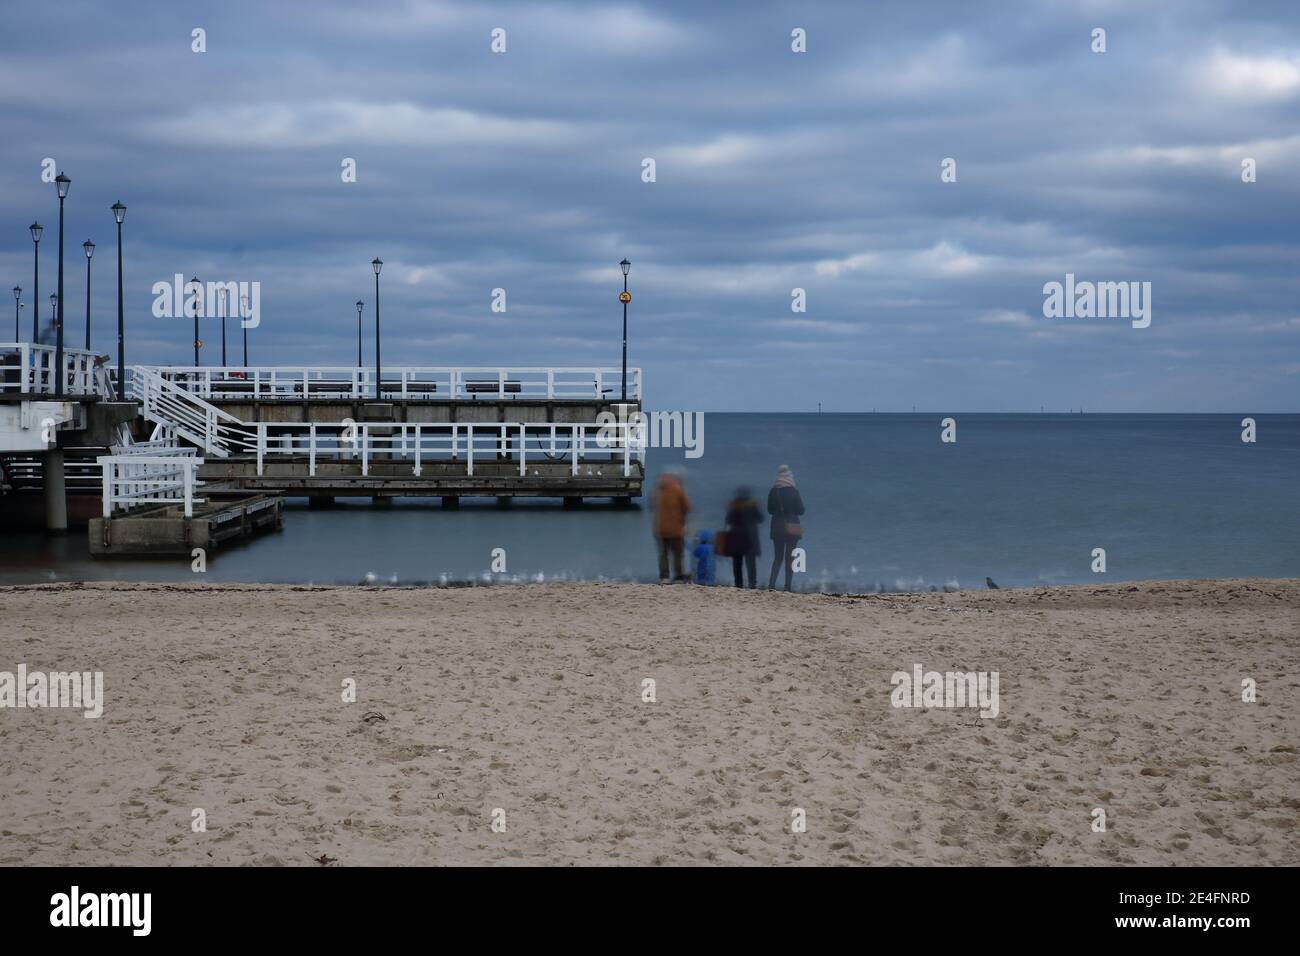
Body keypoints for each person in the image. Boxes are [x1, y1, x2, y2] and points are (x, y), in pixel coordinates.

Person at [767, 464, 805, 591]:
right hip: (792, 525)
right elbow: (801, 510)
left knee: (778, 557)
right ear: (789, 474)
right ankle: (787, 586)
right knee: (790, 558)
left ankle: (771, 585)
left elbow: (769, 510)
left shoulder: (774, 491)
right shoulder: (794, 491)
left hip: (777, 526)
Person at [651, 470, 691, 583]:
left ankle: (664, 576)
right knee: (677, 553)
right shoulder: (678, 490)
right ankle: (678, 576)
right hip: (675, 528)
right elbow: (687, 507)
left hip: (660, 528)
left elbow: (652, 506)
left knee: (663, 553)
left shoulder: (657, 491)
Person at [724, 486, 763, 588]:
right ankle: (752, 584)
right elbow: (760, 519)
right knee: (751, 563)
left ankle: (738, 584)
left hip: (736, 537)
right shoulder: (752, 506)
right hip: (750, 537)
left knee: (737, 563)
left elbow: (728, 520)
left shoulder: (734, 506)